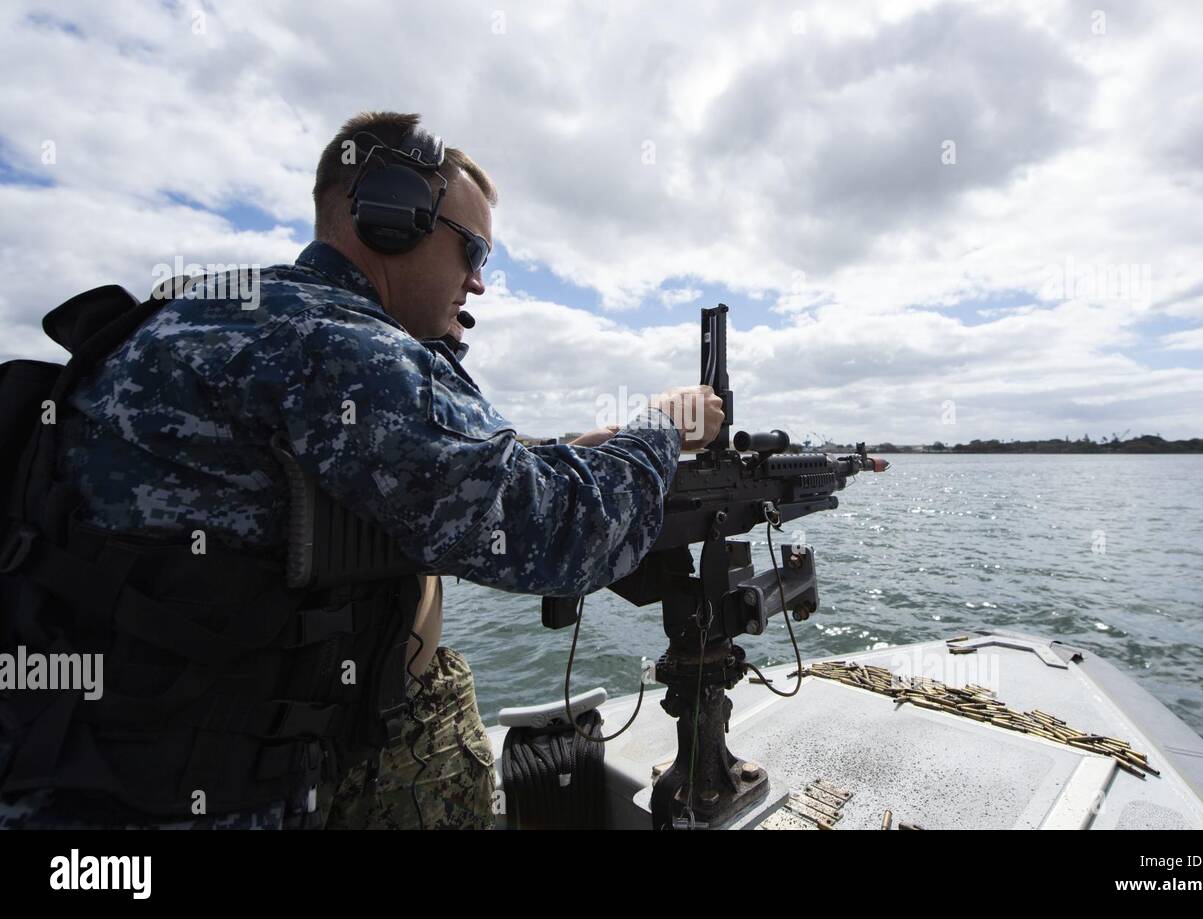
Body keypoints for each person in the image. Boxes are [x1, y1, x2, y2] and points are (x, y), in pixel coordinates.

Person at [0, 110, 723, 829]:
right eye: (472, 251)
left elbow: (402, 460)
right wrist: (662, 425)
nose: (478, 283)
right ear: (391, 217)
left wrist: (567, 444)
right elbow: (569, 533)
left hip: (93, 767)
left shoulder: (233, 308)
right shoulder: (336, 344)